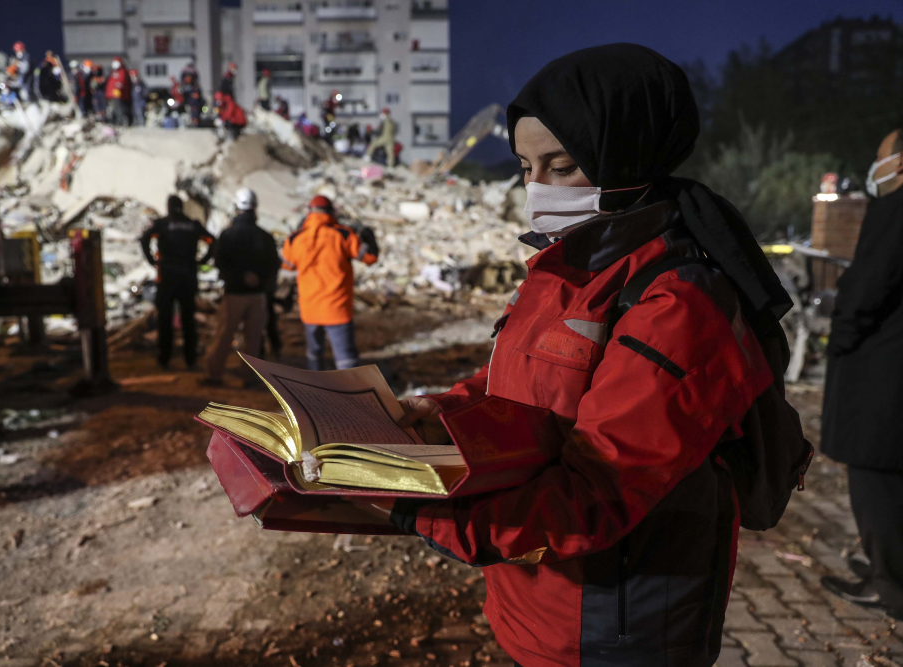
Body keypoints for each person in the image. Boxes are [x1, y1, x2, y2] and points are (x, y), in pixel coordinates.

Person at [390, 44, 805, 667]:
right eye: (525, 167)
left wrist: (415, 509)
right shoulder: (567, 266)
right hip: (537, 603)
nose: (536, 189)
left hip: (616, 627)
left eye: (561, 167)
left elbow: (598, 492)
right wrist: (440, 410)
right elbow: (526, 378)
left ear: (629, 159)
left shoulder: (677, 304)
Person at [819, 129, 903, 621]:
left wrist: (842, 338)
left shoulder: (895, 211)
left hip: (882, 376)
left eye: (880, 159)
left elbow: (867, 288)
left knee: (877, 486)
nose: (875, 169)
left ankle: (888, 585)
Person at [281, 195, 378, 370]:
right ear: (331, 211)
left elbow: (286, 265)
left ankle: (315, 394)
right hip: (337, 309)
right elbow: (370, 257)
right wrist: (367, 235)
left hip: (309, 309)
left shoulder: (295, 239)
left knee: (314, 355)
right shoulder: (343, 235)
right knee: (345, 361)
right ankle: (350, 395)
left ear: (309, 212)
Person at [204, 188, 281, 386]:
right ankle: (249, 377)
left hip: (234, 294)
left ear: (236, 208)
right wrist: (259, 280)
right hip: (258, 295)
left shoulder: (228, 235)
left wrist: (239, 277)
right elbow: (273, 264)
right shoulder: (265, 236)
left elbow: (220, 262)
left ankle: (214, 374)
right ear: (255, 209)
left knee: (224, 334)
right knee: (253, 338)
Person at [140, 195, 215, 370]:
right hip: (188, 277)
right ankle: (191, 360)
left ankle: (164, 358)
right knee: (188, 320)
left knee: (165, 320)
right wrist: (203, 260)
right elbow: (213, 240)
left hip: (166, 277)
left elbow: (144, 239)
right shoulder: (193, 224)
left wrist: (151, 260)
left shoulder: (162, 224)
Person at [105, 57, 132, 126]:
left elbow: (121, 83)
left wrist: (117, 90)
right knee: (113, 109)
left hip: (118, 94)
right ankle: (115, 121)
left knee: (119, 109)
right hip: (112, 95)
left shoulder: (122, 71)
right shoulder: (113, 72)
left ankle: (119, 122)